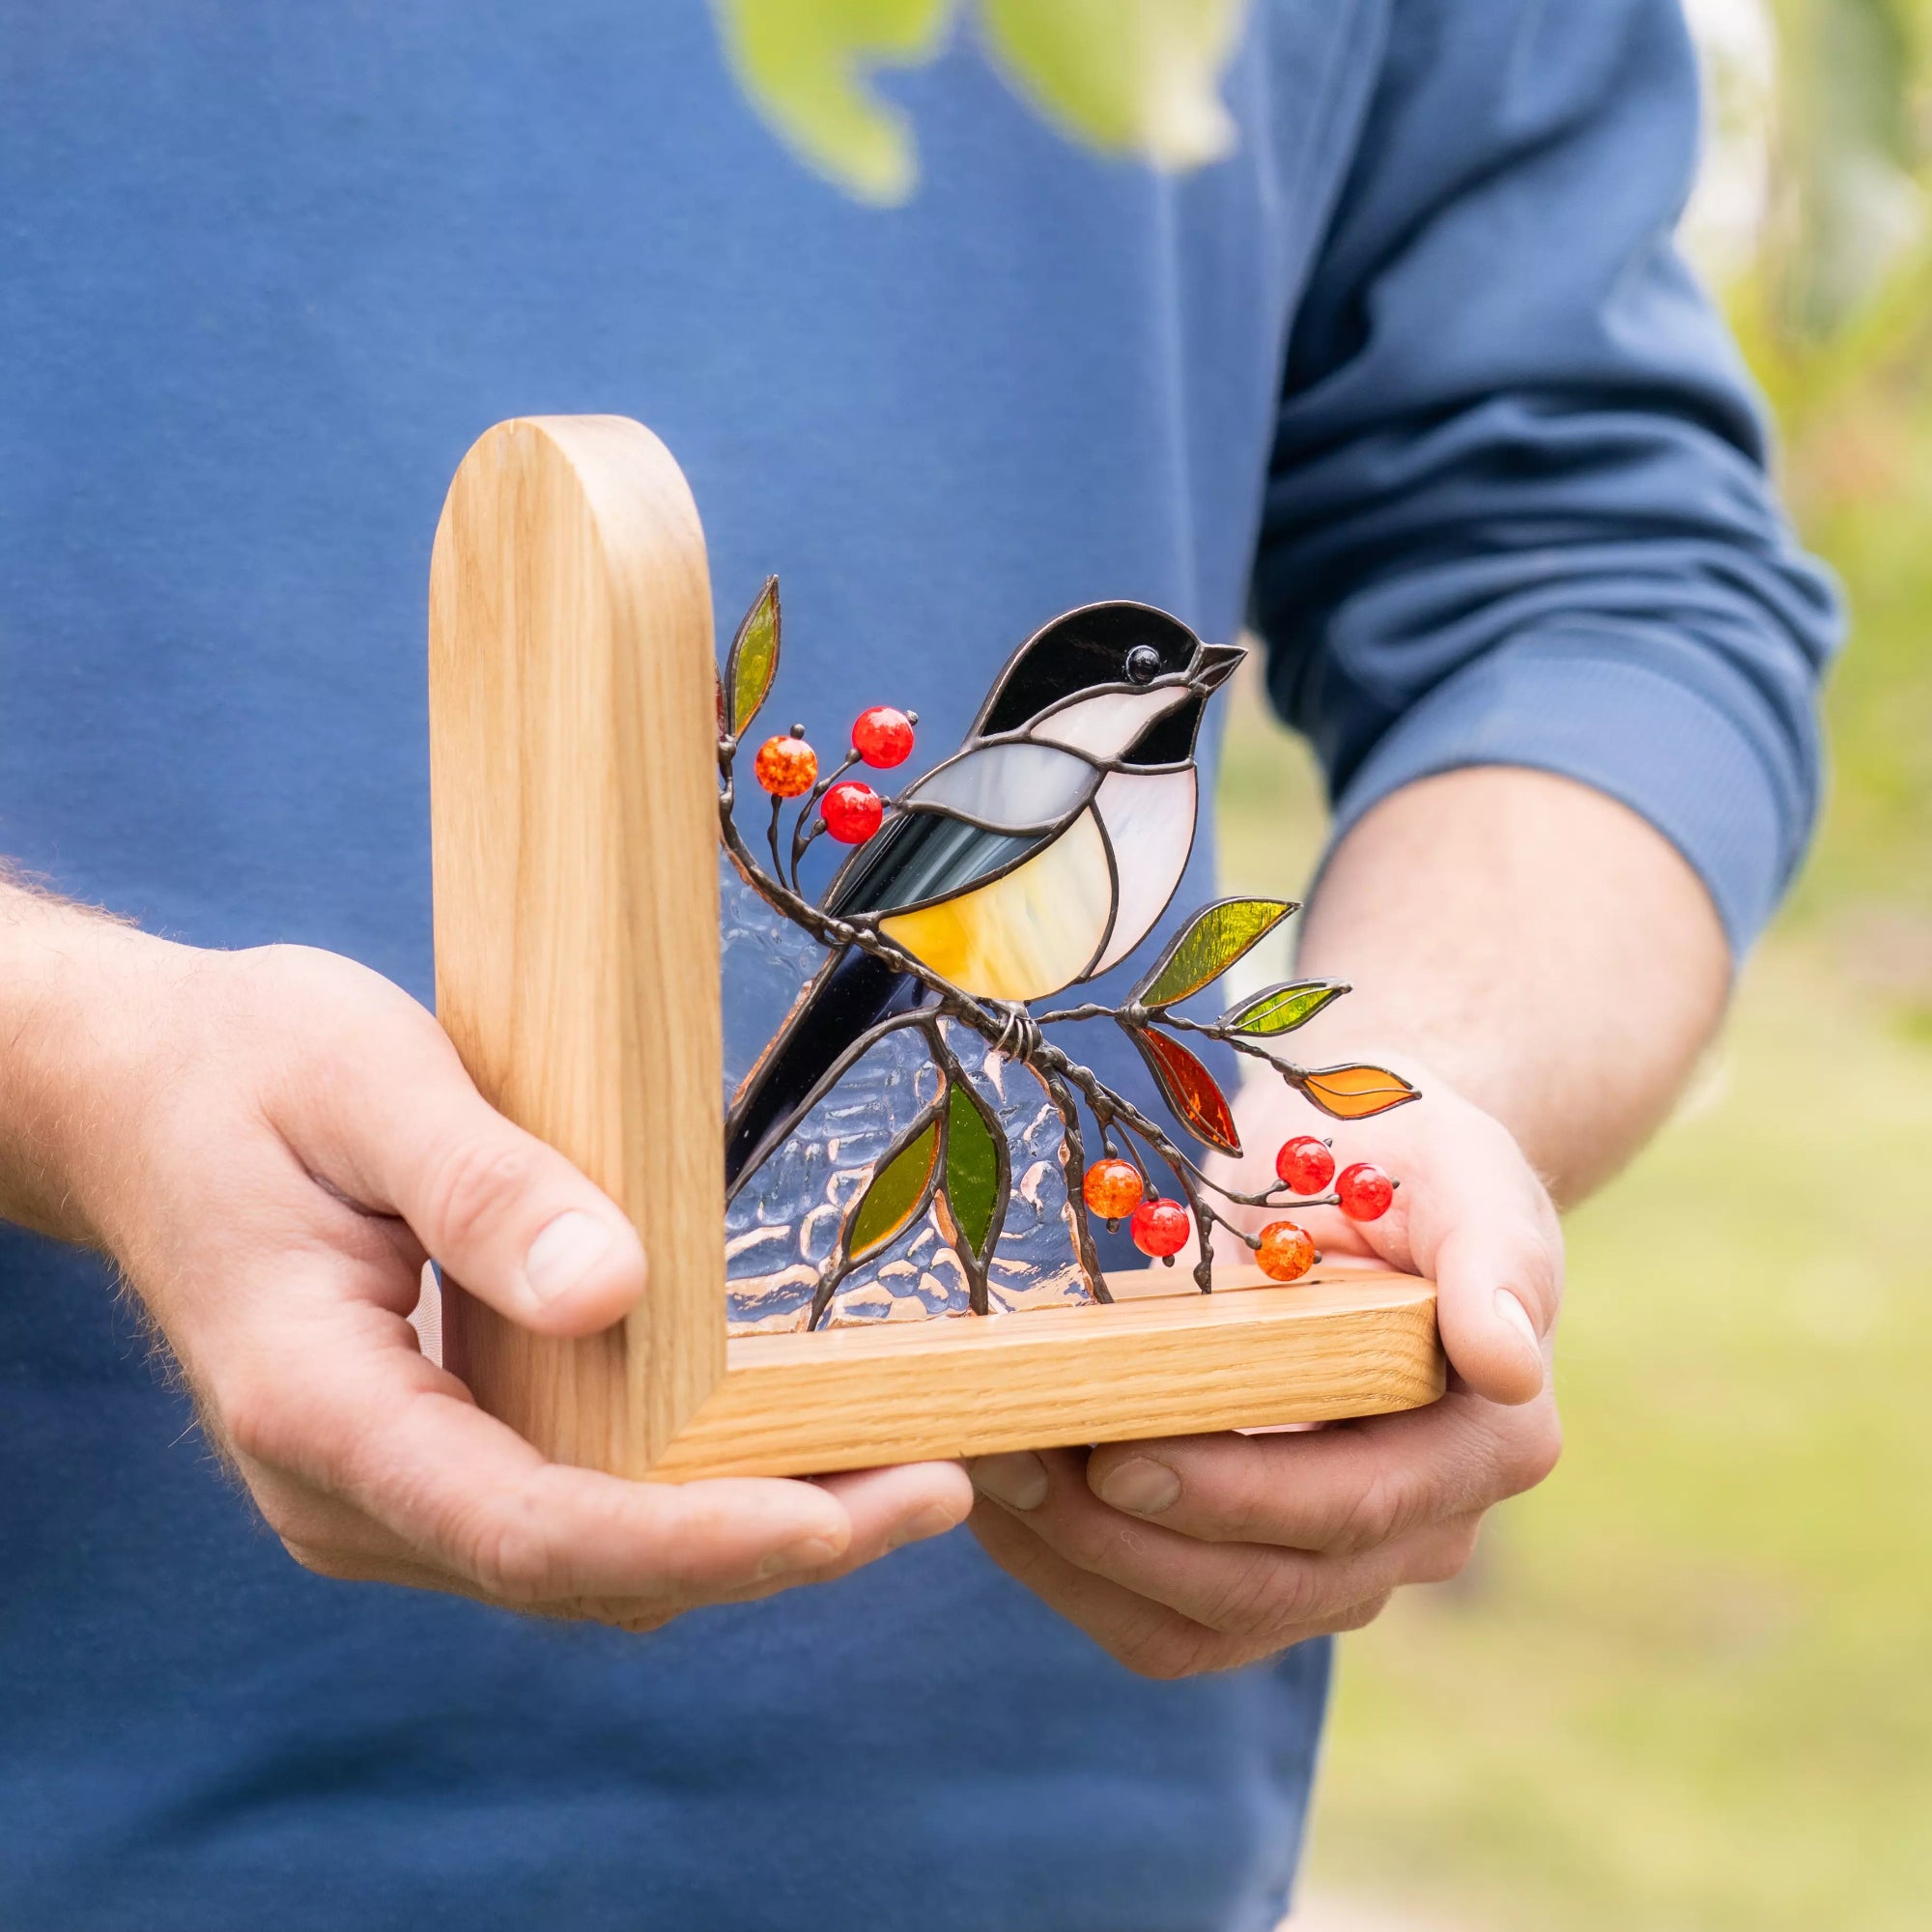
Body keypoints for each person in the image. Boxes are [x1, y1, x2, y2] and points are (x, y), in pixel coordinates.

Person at [0, 5, 1836, 1929]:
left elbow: (1590, 566)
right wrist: (76, 1061)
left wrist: (1384, 1114)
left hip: (1057, 1836)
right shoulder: (1020, 788)